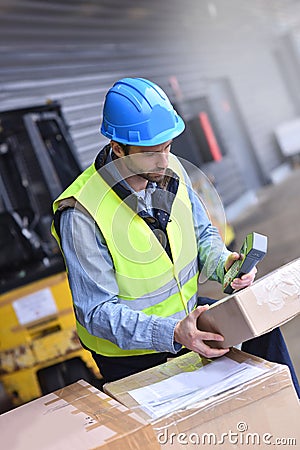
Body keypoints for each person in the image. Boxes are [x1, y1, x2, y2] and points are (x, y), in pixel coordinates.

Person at [51, 77, 257, 384]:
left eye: (168, 147)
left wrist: (224, 264)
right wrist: (171, 333)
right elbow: (96, 313)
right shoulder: (81, 213)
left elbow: (203, 237)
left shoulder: (171, 168)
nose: (164, 161)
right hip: (133, 358)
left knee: (261, 331)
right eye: (150, 152)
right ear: (118, 149)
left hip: (185, 322)